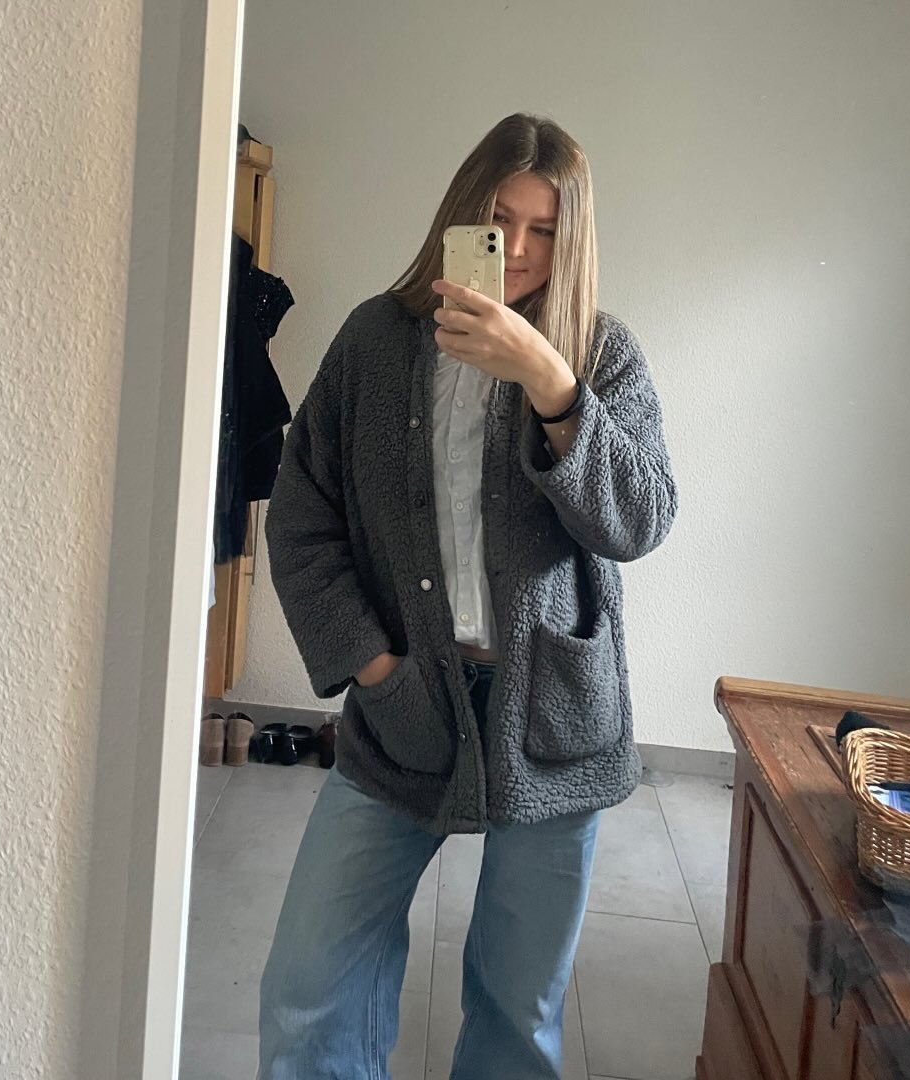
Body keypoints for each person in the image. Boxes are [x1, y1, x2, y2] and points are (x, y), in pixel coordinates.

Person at [258, 112, 677, 1080]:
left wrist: (553, 388)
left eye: (546, 230)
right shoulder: (375, 341)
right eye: (498, 222)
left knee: (516, 1012)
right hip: (402, 706)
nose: (519, 250)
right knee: (309, 986)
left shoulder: (599, 355)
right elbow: (302, 515)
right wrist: (372, 667)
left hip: (553, 718)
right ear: (459, 219)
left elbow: (640, 520)